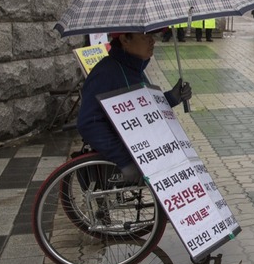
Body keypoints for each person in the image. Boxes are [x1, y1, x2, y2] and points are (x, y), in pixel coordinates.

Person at [77, 31, 192, 183]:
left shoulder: (133, 68)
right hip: (125, 152)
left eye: (153, 36)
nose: (153, 42)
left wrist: (171, 98)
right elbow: (89, 123)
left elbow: (141, 110)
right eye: (146, 36)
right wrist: (124, 161)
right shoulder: (107, 73)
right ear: (125, 39)